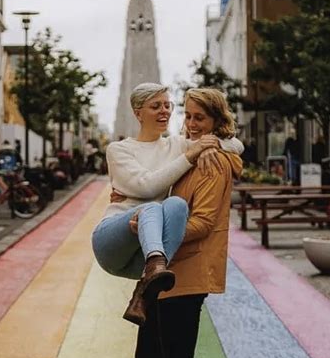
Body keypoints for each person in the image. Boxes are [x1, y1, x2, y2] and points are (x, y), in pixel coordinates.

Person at [122, 88, 242, 358]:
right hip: (171, 269)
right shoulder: (193, 153)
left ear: (217, 120)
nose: (191, 124)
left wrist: (153, 235)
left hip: (188, 273)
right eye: (187, 115)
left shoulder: (213, 162)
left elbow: (202, 222)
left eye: (199, 117)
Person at [91, 82, 243, 327]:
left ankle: (146, 285)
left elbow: (235, 144)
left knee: (176, 205)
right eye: (155, 106)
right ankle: (154, 267)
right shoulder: (119, 149)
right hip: (113, 240)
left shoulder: (177, 144)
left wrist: (208, 145)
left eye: (167, 105)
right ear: (138, 112)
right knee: (152, 206)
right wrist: (192, 154)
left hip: (146, 250)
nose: (164, 111)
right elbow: (146, 186)